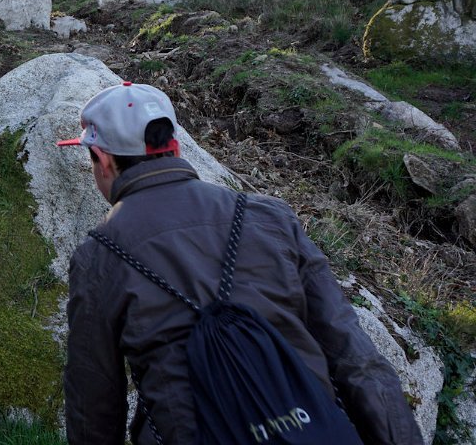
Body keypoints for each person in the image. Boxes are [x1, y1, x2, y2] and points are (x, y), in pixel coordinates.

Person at [58, 81, 422, 445]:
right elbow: (356, 358)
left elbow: (94, 402)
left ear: (103, 159)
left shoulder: (99, 256)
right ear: (175, 147)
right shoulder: (270, 217)